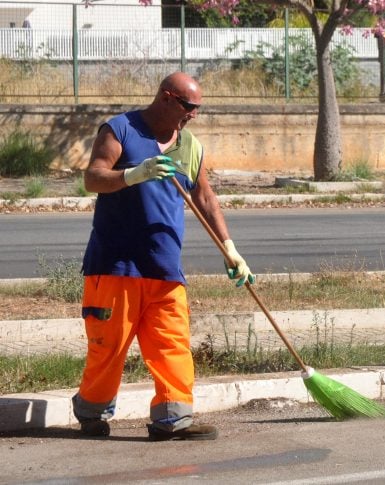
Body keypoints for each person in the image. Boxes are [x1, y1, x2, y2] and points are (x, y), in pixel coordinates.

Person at [73, 72, 255, 441]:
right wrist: (134, 174)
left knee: (171, 344)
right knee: (108, 348)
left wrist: (230, 247)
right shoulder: (120, 129)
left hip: (165, 269)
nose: (193, 115)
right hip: (115, 267)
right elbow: (93, 178)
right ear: (167, 98)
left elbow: (205, 197)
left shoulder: (190, 146)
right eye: (189, 107)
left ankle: (173, 418)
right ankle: (92, 415)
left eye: (198, 108)